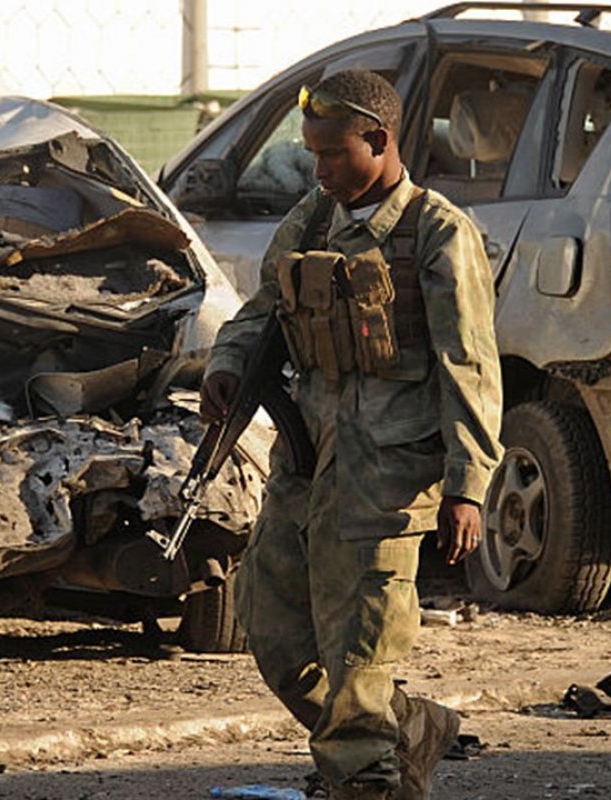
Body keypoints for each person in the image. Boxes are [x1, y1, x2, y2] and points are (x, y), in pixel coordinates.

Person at [200, 69, 502, 800]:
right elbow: (262, 311)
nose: (321, 168)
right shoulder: (309, 222)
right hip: (306, 464)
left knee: (360, 653)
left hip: (384, 481)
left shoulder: (436, 235)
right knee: (274, 636)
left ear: (379, 140)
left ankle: (366, 778)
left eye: (335, 153)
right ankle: (410, 728)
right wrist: (229, 364)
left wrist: (468, 487)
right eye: (313, 153)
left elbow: (471, 367)